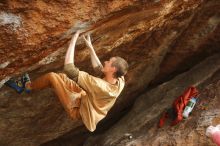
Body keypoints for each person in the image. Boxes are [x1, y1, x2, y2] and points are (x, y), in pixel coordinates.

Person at [6, 31, 129, 132]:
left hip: (78, 110)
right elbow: (100, 69)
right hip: (84, 98)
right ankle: (39, 85)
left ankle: (26, 86)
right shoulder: (119, 80)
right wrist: (90, 47)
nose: (106, 61)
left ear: (113, 69)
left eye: (109, 62)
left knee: (52, 77)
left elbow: (69, 68)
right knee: (61, 77)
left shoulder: (100, 85)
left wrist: (74, 38)